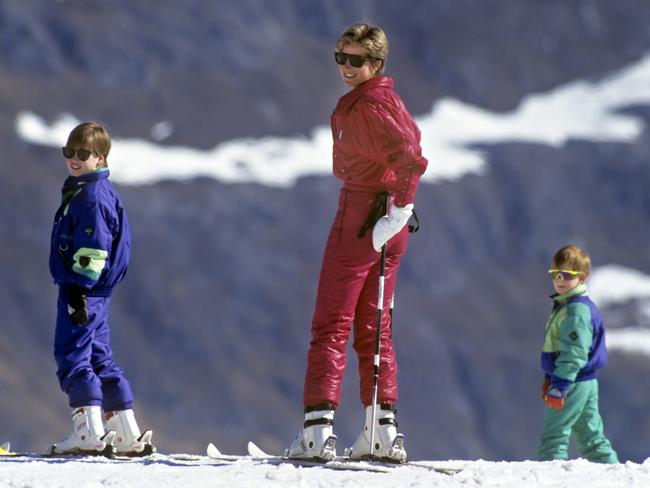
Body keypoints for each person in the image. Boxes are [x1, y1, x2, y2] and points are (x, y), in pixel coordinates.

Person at [287, 23, 428, 462]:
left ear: (376, 64)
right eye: (341, 58)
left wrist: (400, 209)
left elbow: (411, 157)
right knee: (375, 325)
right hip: (385, 220)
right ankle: (381, 431)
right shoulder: (383, 99)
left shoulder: (370, 105)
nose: (347, 68)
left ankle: (316, 431)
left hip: (363, 217)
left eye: (356, 60)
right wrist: (399, 213)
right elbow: (410, 150)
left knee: (331, 323)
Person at [49, 122, 153, 456]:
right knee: (99, 356)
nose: (74, 160)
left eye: (82, 153)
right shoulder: (93, 190)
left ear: (100, 157)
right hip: (97, 293)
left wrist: (79, 290)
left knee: (72, 353)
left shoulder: (91, 196)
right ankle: (124, 431)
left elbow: (94, 247)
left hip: (83, 291)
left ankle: (88, 432)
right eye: (69, 152)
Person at [538, 244, 618, 463]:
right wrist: (549, 378)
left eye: (566, 274)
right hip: (584, 381)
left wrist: (560, 385)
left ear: (582, 277)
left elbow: (574, 353)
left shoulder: (575, 311)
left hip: (572, 382)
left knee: (553, 437)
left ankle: (550, 479)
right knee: (591, 438)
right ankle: (616, 477)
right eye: (555, 274)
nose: (559, 279)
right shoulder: (566, 305)